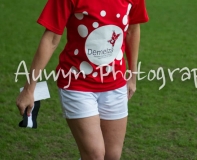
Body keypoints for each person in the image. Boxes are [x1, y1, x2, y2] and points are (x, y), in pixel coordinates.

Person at [16, 0, 149, 159]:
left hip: (115, 84)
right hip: (76, 83)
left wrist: (132, 76)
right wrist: (29, 89)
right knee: (94, 155)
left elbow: (132, 30)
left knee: (112, 156)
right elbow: (51, 38)